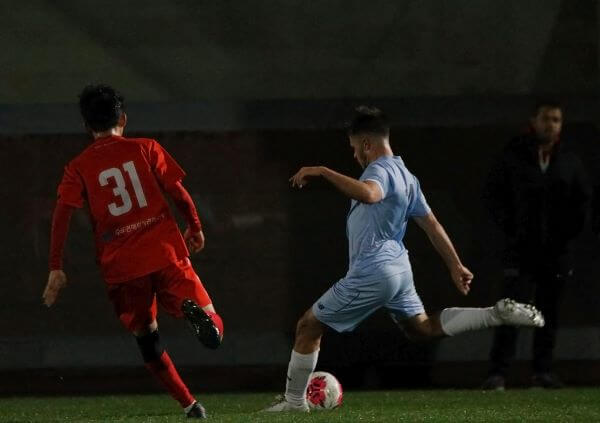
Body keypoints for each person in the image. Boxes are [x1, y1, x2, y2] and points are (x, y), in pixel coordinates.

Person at [265, 106, 544, 412]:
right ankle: (495, 314)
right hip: (400, 268)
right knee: (421, 328)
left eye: (355, 148)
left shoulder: (379, 171)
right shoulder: (407, 176)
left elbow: (370, 194)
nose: (356, 156)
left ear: (367, 144)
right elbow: (432, 225)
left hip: (374, 270)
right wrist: (455, 265)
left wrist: (322, 171)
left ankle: (294, 403)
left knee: (308, 326)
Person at [42, 84, 224, 418]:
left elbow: (61, 216)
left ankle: (190, 404)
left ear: (86, 127)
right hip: (165, 251)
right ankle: (204, 322)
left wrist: (56, 266)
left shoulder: (78, 167)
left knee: (146, 336)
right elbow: (178, 192)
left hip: (122, 266)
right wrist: (194, 226)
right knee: (209, 315)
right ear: (123, 119)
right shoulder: (146, 148)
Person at [481, 101, 590, 390]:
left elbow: (582, 204)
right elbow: (494, 198)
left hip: (555, 254)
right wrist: (511, 234)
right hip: (520, 251)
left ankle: (542, 372)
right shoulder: (513, 157)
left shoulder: (569, 161)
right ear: (534, 121)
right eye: (546, 119)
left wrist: (566, 240)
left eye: (556, 120)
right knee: (511, 312)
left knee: (548, 314)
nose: (551, 125)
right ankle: (498, 373)